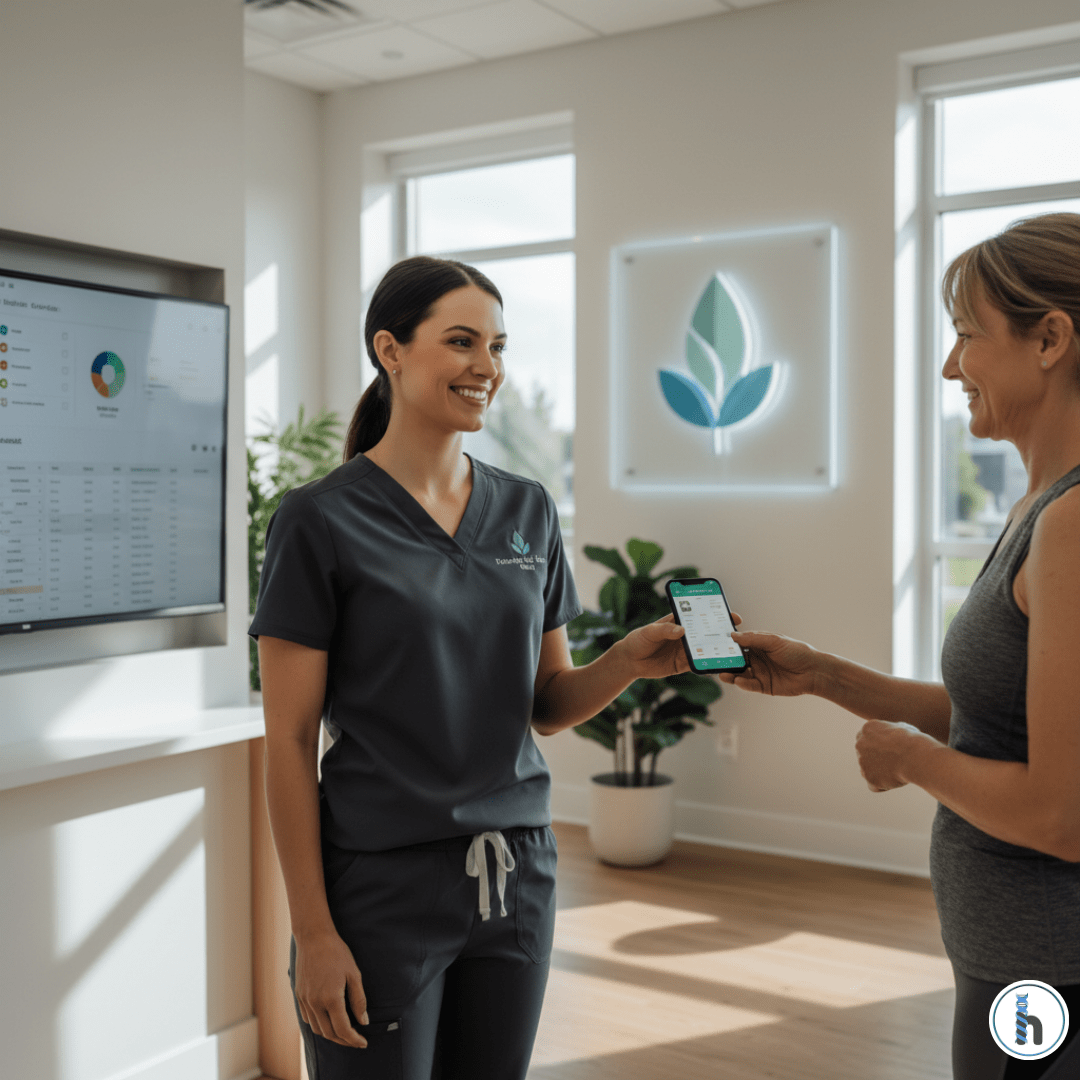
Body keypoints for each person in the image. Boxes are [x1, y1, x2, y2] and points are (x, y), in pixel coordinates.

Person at [249, 255, 692, 1080]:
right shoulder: (318, 520)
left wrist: (628, 660)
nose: (486, 366)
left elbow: (547, 702)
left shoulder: (528, 508)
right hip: (380, 888)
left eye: (497, 346)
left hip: (519, 879)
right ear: (389, 350)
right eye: (461, 341)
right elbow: (289, 741)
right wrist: (312, 930)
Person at [720, 213, 1080, 1079]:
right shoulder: (1039, 509)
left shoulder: (1074, 524)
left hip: (1045, 963)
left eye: (967, 336)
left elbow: (1060, 815)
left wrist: (911, 759)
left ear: (1049, 340)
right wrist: (824, 675)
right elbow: (1004, 722)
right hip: (1006, 948)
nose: (951, 366)